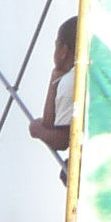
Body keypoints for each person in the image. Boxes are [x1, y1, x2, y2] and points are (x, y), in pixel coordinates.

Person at [30, 15, 79, 168]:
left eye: (56, 45)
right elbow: (51, 123)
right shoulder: (85, 74)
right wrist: (53, 82)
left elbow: (62, 139)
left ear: (64, 50)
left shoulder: (71, 81)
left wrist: (36, 130)